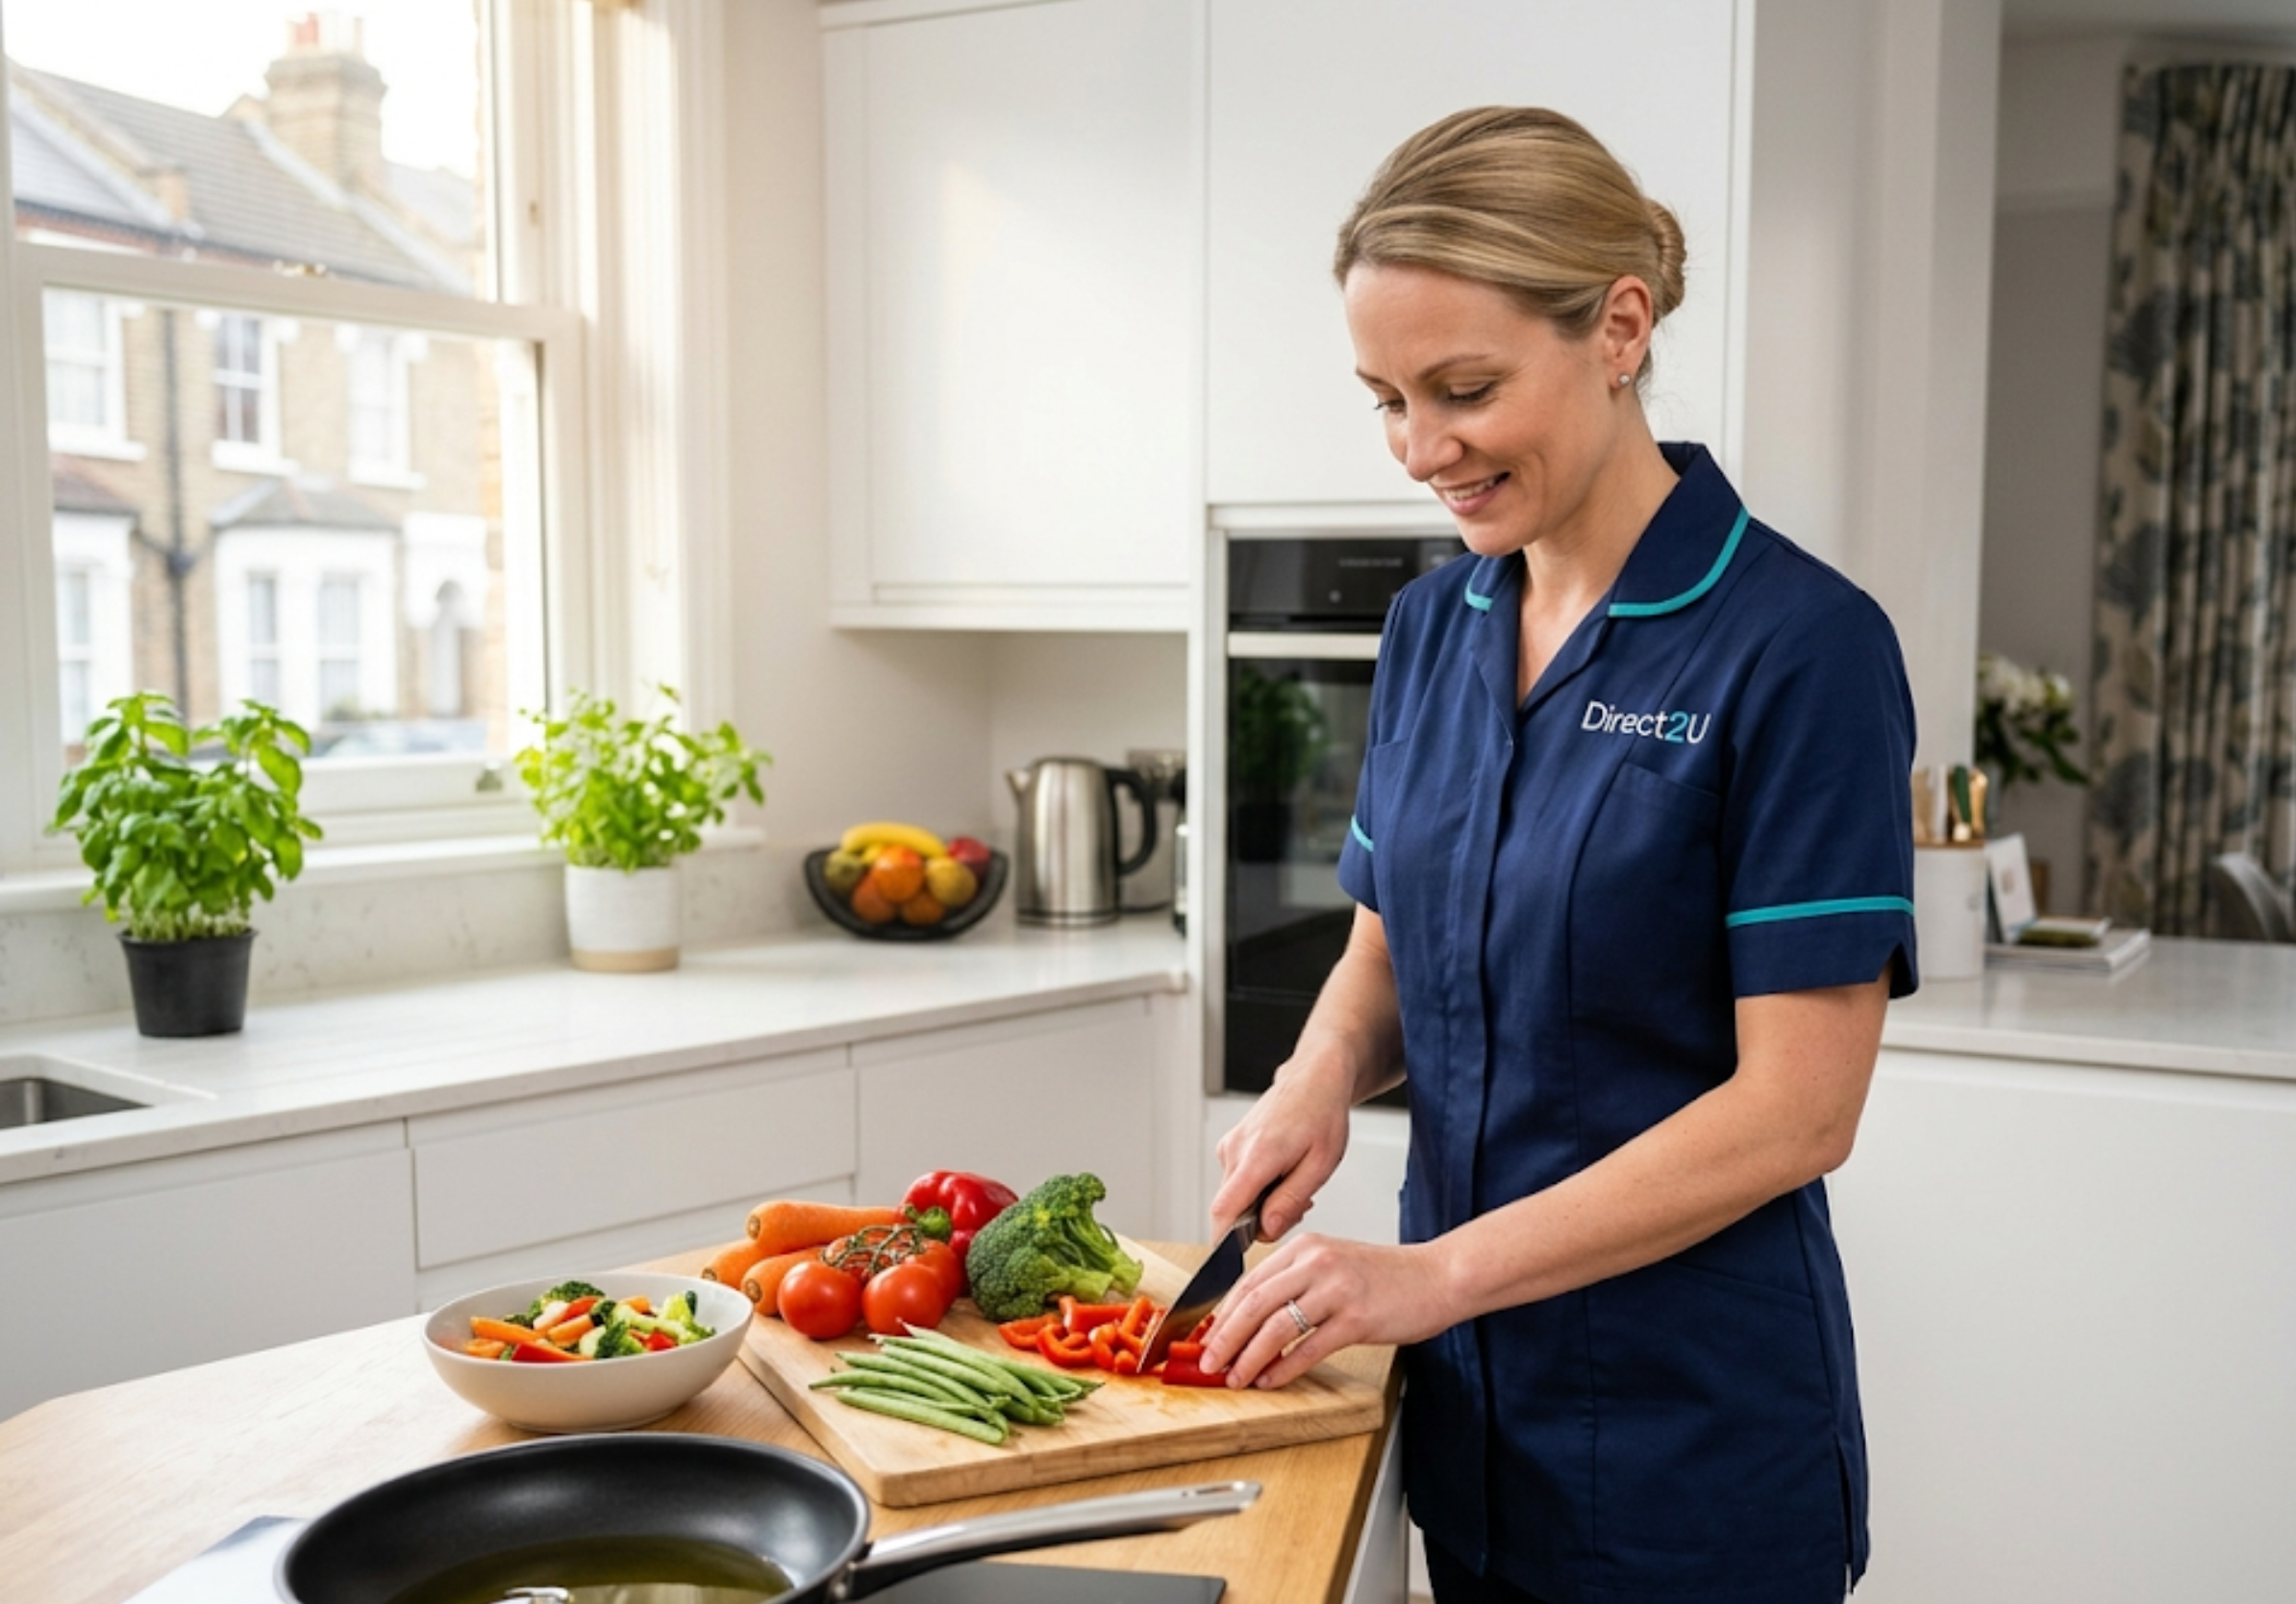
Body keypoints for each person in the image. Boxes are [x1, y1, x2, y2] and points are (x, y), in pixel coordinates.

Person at [1199, 108, 1919, 1604]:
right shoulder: (1430, 630)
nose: (1419, 450)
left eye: (1464, 389)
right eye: (1385, 398)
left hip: (1689, 1455)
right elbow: (1390, 943)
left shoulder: (1801, 648)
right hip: (1465, 1423)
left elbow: (1799, 1112)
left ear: (1618, 327)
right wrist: (1318, 1075)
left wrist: (1426, 1278)